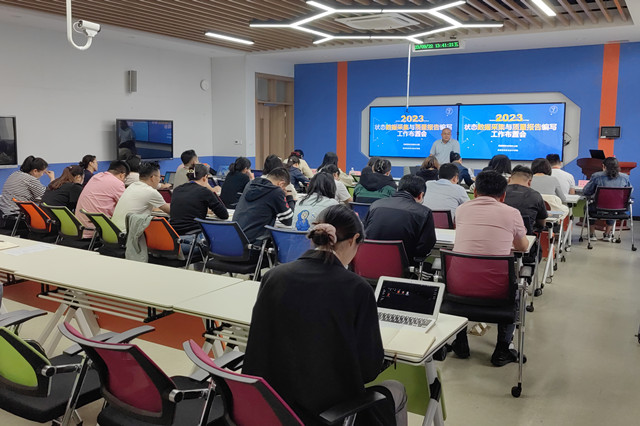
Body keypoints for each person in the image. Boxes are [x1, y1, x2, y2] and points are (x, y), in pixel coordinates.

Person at [243, 205, 408, 426]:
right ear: (354, 239)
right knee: (396, 389)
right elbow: (368, 371)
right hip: (326, 414)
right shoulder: (357, 289)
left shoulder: (273, 276)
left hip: (269, 408)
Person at [452, 170, 528, 366]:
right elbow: (523, 247)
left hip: (457, 288)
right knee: (515, 289)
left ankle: (460, 342)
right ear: (503, 196)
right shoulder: (512, 213)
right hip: (497, 292)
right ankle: (502, 350)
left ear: (475, 192)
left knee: (468, 270)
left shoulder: (461, 209)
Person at [365, 174, 436, 264]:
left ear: (398, 189)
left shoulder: (375, 205)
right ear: (420, 195)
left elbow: (364, 233)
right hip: (402, 266)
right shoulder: (424, 212)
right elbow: (425, 247)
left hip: (369, 263)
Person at [234, 167, 294, 244]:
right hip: (254, 242)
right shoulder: (276, 191)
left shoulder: (250, 184)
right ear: (281, 183)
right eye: (284, 187)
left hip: (236, 239)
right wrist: (289, 197)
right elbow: (289, 220)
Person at [76, 160, 130, 237]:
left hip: (81, 229)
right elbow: (127, 206)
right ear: (122, 175)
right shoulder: (117, 183)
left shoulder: (96, 177)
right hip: (97, 231)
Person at [170, 164, 228, 235]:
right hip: (194, 234)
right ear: (205, 178)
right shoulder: (204, 191)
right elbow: (224, 215)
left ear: (188, 178)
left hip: (173, 235)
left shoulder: (177, 190)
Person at [111, 162, 170, 231]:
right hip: (128, 233)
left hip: (114, 231)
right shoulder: (151, 192)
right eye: (159, 177)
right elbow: (170, 211)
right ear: (153, 178)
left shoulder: (132, 186)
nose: (159, 180)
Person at [583, 156, 631, 242]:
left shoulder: (596, 176)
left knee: (587, 207)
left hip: (597, 207)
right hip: (617, 208)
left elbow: (587, 191)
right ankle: (607, 234)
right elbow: (629, 192)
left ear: (603, 166)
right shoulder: (625, 177)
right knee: (613, 207)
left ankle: (592, 234)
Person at [504, 165, 548, 234]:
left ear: (509, 179)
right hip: (526, 236)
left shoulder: (499, 193)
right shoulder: (535, 195)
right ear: (529, 182)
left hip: (499, 234)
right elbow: (542, 223)